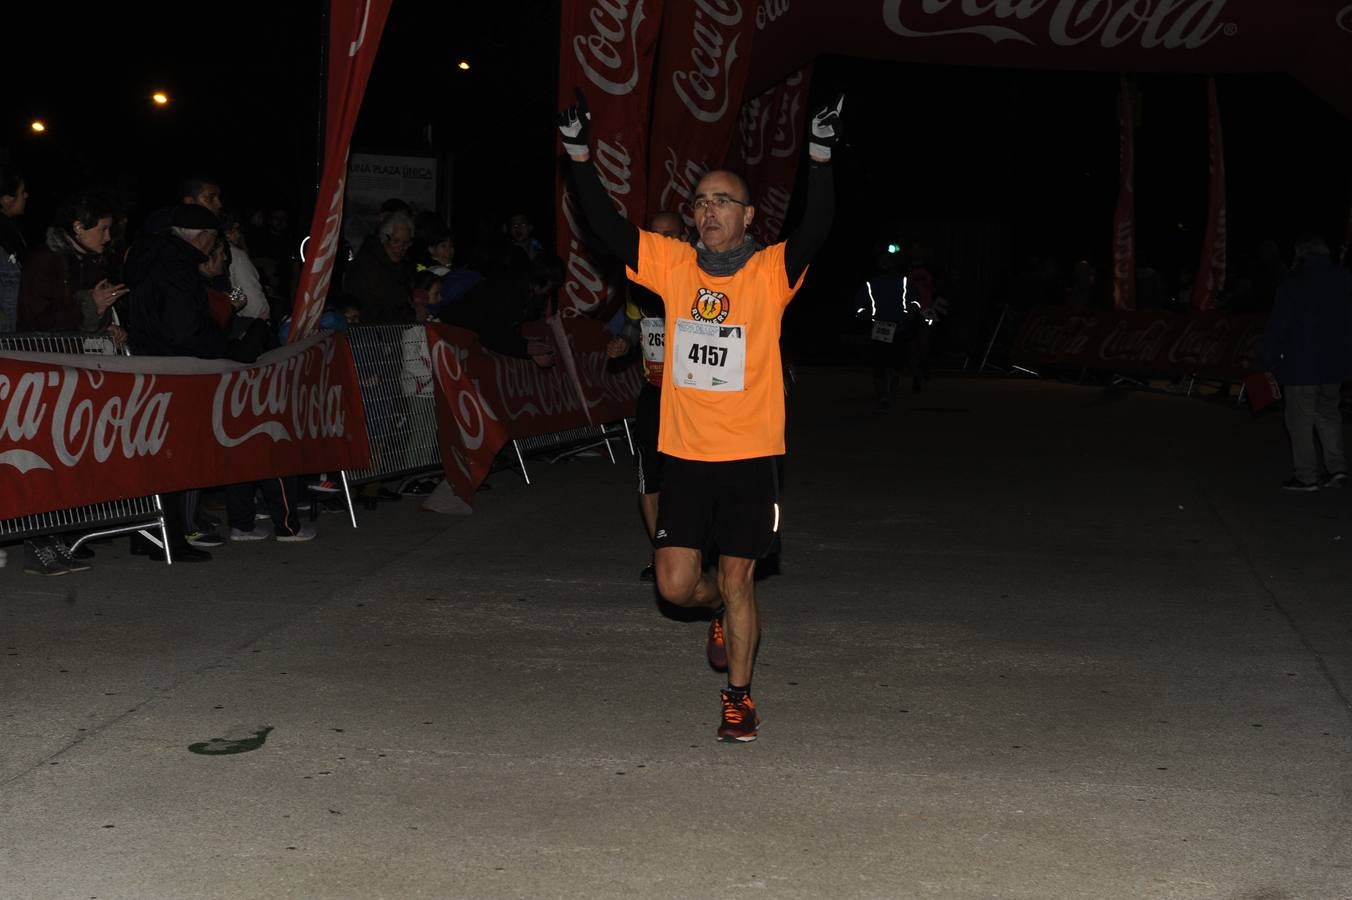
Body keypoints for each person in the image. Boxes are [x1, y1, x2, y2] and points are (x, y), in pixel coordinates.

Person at [560, 88, 841, 743]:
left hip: (748, 458)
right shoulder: (675, 266)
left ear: (747, 216)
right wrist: (578, 155)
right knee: (676, 587)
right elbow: (606, 227)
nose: (708, 209)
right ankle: (712, 606)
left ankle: (738, 697)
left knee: (742, 580)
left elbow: (819, 226)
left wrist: (821, 156)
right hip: (684, 454)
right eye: (701, 201)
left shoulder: (772, 271)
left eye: (722, 201)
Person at [605, 210, 687, 580]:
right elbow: (637, 324)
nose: (661, 241)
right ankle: (664, 555)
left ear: (684, 237)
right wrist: (624, 340)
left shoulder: (700, 275)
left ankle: (694, 549)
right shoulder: (638, 279)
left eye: (669, 235)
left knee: (691, 477)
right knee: (649, 477)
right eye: (655, 235)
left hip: (693, 399)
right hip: (654, 394)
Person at [1261, 233, 1352, 491]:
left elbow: (1278, 327)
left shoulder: (1293, 285)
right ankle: (1337, 468)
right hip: (1334, 364)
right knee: (1328, 413)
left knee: (1299, 419)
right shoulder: (1344, 280)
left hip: (1301, 364)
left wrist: (1267, 360)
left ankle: (1306, 475)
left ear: (1300, 255)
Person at [17, 192, 128, 345]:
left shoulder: (92, 261)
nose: (108, 237)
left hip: (75, 357)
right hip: (45, 359)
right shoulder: (44, 260)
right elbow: (37, 320)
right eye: (103, 229)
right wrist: (91, 305)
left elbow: (91, 315)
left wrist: (106, 326)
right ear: (79, 228)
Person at [853, 250, 909, 410]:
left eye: (888, 261)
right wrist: (867, 315)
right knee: (880, 363)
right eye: (883, 261)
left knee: (895, 363)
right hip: (881, 327)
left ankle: (888, 392)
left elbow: (914, 301)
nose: (886, 264)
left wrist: (909, 312)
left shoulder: (903, 282)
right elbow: (859, 306)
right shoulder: (871, 283)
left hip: (898, 327)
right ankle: (884, 396)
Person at [345, 211, 416, 324]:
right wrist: (412, 315)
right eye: (396, 241)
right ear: (384, 238)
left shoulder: (403, 265)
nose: (401, 248)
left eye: (406, 243)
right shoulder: (367, 265)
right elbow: (372, 311)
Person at [0, 167, 29, 333]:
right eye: (22, 192)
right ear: (6, 199)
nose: (26, 196)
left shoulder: (12, 232)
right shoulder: (5, 239)